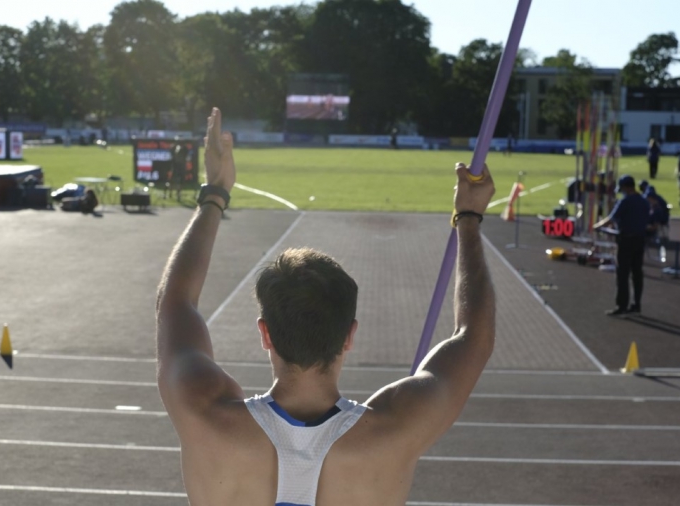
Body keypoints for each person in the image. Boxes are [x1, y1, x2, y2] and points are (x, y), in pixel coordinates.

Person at [155, 108, 497, 505]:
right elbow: (474, 336)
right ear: (350, 335)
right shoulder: (395, 427)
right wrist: (469, 218)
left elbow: (175, 303)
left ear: (265, 333)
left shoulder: (204, 413)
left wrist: (215, 192)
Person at [594, 175, 650, 316]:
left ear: (626, 187)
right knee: (637, 273)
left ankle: (622, 305)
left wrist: (597, 226)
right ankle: (636, 304)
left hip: (626, 240)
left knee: (623, 274)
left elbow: (611, 219)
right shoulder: (644, 201)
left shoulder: (625, 201)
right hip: (640, 239)